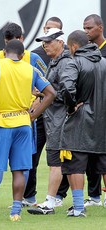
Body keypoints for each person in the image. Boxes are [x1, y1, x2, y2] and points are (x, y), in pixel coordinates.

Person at [0, 39, 55, 222]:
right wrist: (33, 115)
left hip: (1, 123)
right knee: (19, 171)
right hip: (23, 124)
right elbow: (51, 93)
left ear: (4, 52)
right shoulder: (31, 69)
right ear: (22, 55)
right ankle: (15, 213)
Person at [0, 22, 47, 208]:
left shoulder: (33, 58)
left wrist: (36, 107)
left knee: (22, 160)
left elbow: (45, 85)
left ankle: (18, 199)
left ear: (21, 39)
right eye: (7, 42)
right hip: (16, 117)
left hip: (23, 116)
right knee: (16, 162)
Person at [59, 30, 106, 217]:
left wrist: (71, 107)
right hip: (103, 123)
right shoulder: (104, 62)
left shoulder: (74, 62)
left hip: (79, 123)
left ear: (74, 47)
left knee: (75, 166)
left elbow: (66, 87)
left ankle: (78, 208)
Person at [26, 28, 72, 215]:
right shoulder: (56, 61)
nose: (44, 45)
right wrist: (41, 95)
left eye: (48, 41)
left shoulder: (66, 62)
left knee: (57, 162)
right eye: (43, 41)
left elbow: (69, 91)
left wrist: (47, 95)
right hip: (54, 118)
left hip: (60, 119)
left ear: (60, 42)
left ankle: (51, 202)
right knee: (63, 162)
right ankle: (70, 203)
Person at [81, 14, 106, 207]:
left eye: (89, 28)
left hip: (103, 110)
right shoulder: (84, 52)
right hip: (89, 111)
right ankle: (94, 196)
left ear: (100, 27)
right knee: (89, 155)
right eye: (84, 28)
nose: (86, 31)